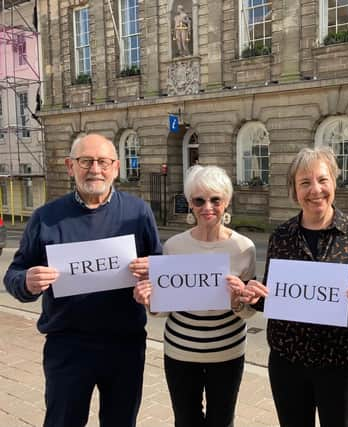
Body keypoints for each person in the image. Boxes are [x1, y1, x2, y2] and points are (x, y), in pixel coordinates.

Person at [3, 133, 162, 427]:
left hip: (124, 344)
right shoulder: (46, 218)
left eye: (103, 161)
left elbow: (159, 270)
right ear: (70, 166)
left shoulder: (138, 213)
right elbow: (13, 274)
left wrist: (152, 278)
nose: (95, 169)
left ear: (116, 167)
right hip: (68, 345)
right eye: (86, 161)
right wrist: (27, 281)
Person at [240, 147, 348, 427]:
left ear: (334, 182)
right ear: (294, 190)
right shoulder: (281, 235)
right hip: (288, 363)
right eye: (305, 182)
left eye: (322, 180)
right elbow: (273, 295)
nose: (315, 190)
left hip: (344, 364)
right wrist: (254, 295)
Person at [132, 165, 256, 427]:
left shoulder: (244, 248)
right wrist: (150, 300)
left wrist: (238, 300)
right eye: (199, 200)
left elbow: (248, 311)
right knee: (186, 421)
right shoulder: (175, 246)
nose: (207, 207)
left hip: (228, 352)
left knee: (221, 421)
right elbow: (164, 308)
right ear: (190, 203)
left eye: (215, 199)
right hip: (180, 351)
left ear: (227, 202)